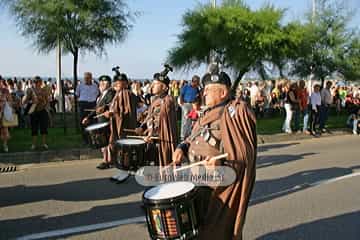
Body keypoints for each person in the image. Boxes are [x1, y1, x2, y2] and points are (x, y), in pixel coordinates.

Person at [173, 67, 257, 239]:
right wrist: (182, 147)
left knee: (218, 231)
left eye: (209, 90)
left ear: (223, 92)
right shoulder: (207, 113)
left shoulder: (235, 112)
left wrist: (220, 165)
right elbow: (191, 137)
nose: (204, 94)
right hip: (197, 181)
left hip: (216, 186)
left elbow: (244, 155)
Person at [135, 71, 178, 167]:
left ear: (164, 87)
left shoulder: (167, 101)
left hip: (161, 139)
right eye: (152, 83)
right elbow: (151, 118)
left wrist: (151, 135)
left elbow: (160, 122)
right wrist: (142, 127)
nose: (152, 86)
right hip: (154, 139)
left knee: (162, 164)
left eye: (155, 84)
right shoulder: (157, 100)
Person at [104, 73, 138, 180]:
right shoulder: (117, 94)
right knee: (117, 148)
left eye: (120, 82)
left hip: (124, 127)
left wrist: (112, 114)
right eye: (116, 82)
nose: (117, 84)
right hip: (116, 126)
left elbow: (127, 112)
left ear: (125, 83)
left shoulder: (127, 94)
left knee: (124, 150)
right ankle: (120, 170)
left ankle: (125, 171)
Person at [82, 75, 116, 169]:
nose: (101, 84)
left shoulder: (111, 93)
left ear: (109, 84)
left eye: (104, 82)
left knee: (106, 142)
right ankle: (107, 160)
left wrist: (104, 108)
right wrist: (88, 117)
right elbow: (96, 108)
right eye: (100, 82)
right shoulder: (102, 94)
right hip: (101, 120)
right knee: (103, 142)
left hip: (107, 121)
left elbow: (110, 105)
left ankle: (108, 161)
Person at [22, 76, 51, 150]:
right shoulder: (30, 90)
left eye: (38, 81)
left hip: (42, 110)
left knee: (43, 128)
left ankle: (44, 143)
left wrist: (44, 102)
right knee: (34, 128)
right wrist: (29, 98)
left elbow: (47, 101)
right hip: (34, 111)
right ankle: (34, 144)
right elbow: (24, 101)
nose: (37, 83)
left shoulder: (44, 90)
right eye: (35, 82)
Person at [76, 72, 99, 144]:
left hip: (92, 104)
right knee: (83, 122)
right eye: (85, 78)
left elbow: (97, 94)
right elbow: (77, 94)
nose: (87, 79)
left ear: (91, 78)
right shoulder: (80, 86)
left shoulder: (95, 86)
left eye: (88, 78)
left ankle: (93, 139)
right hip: (83, 104)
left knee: (93, 122)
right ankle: (85, 139)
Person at [179, 75, 200, 140]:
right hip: (185, 104)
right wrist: (182, 103)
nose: (198, 84)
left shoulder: (196, 88)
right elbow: (181, 95)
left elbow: (198, 96)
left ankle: (188, 134)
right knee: (185, 119)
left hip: (193, 105)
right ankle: (183, 135)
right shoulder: (186, 86)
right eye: (197, 82)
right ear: (194, 81)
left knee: (191, 120)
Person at [0, 77, 12, 152]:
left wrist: (5, 103)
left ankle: (5, 145)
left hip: (3, 113)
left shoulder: (5, 90)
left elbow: (10, 101)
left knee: (4, 129)